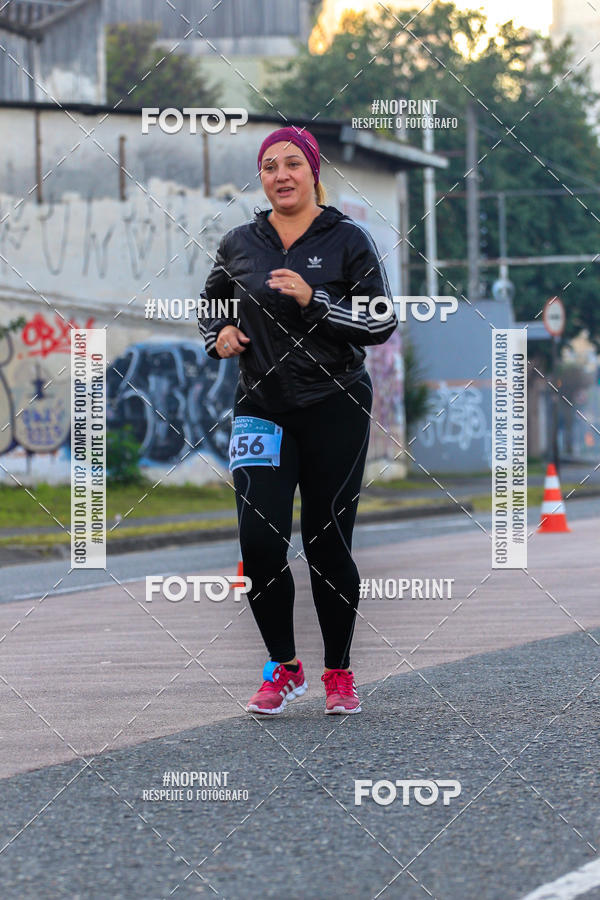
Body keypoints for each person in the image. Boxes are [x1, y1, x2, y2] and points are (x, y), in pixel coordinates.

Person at [198, 126, 397, 715]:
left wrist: (315, 300)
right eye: (269, 167)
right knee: (259, 543)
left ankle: (339, 672)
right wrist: (220, 334)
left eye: (292, 164)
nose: (280, 175)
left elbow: (380, 321)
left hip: (335, 403)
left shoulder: (347, 240)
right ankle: (283, 668)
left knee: (325, 542)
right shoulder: (240, 243)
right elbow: (212, 303)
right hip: (261, 407)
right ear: (261, 178)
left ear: (314, 172)